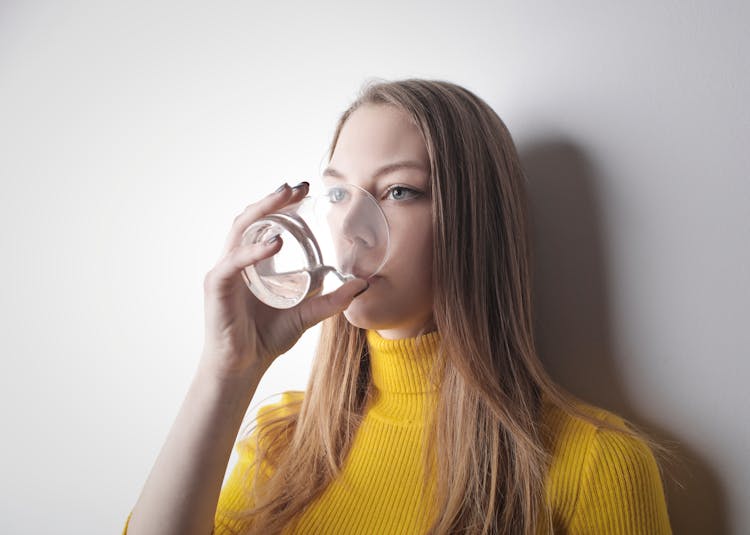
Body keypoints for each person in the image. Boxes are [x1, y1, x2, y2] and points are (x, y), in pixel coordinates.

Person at [124, 79, 673, 534]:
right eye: (338, 193)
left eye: (398, 192)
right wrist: (227, 371)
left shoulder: (596, 466)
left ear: (475, 223)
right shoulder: (280, 438)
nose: (350, 228)